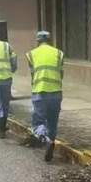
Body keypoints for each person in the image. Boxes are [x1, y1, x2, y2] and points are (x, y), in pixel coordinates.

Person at [25, 30, 64, 162]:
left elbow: (33, 74)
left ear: (38, 41)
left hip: (40, 92)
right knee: (52, 121)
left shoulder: (31, 54)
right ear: (50, 40)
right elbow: (61, 73)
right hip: (56, 92)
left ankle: (46, 140)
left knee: (38, 122)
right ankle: (51, 140)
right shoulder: (59, 53)